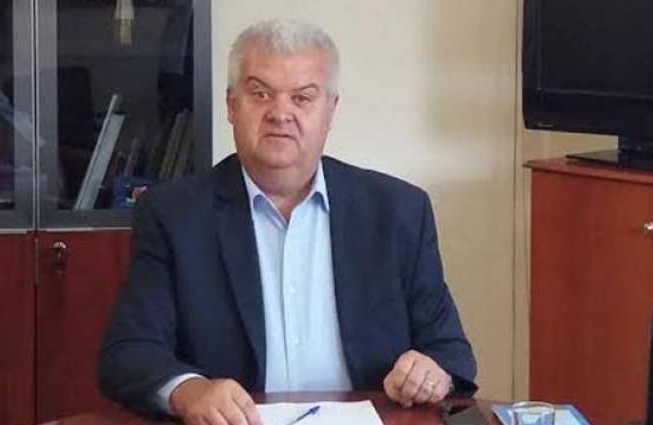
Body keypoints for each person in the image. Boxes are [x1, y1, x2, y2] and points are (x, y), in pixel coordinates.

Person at [98, 19, 477, 425]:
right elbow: (129, 353)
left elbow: (450, 352)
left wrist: (432, 372)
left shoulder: (397, 211)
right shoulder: (174, 214)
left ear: (330, 111)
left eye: (303, 98)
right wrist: (190, 391)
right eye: (260, 94)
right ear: (231, 105)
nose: (280, 113)